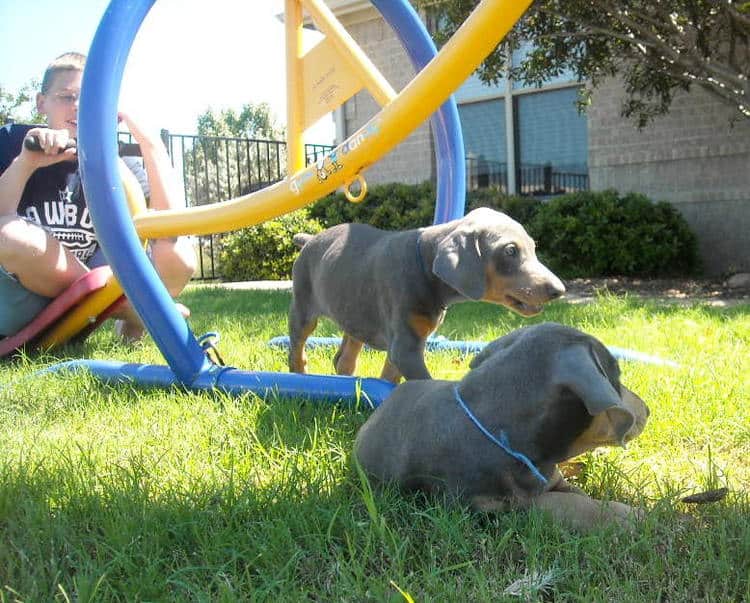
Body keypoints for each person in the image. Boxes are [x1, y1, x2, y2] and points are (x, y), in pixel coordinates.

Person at [0, 52, 196, 343]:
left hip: (79, 302)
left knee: (177, 255)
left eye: (87, 99)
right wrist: (27, 163)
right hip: (21, 300)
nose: (78, 106)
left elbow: (170, 233)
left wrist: (152, 146)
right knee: (11, 236)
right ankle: (131, 310)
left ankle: (121, 312)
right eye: (66, 97)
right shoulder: (14, 141)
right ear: (42, 102)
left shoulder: (116, 165)